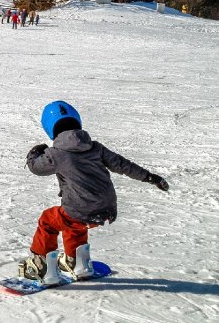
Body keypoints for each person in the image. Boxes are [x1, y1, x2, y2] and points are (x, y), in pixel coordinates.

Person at [19, 101, 169, 284]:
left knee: (48, 220)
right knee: (74, 222)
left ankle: (41, 267)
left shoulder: (55, 154)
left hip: (80, 209)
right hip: (106, 209)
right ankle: (78, 263)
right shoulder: (96, 147)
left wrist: (34, 153)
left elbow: (36, 168)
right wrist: (150, 177)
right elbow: (123, 165)